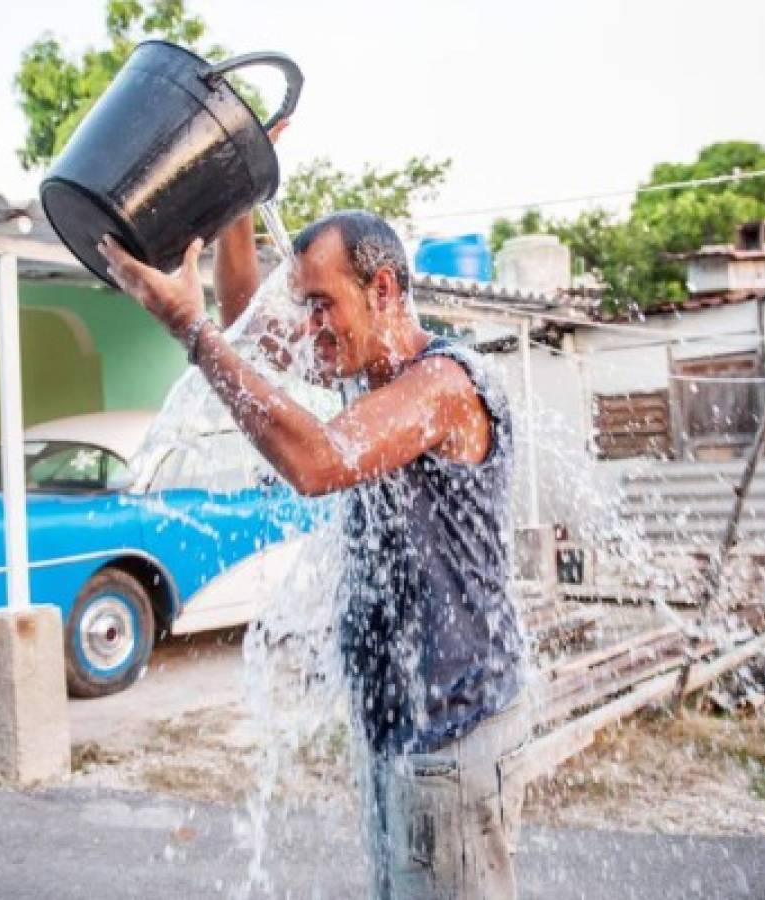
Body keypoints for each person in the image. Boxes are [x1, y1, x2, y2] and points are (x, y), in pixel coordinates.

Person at [99, 202, 529, 899]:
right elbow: (244, 321)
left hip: (455, 728)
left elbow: (318, 461)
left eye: (321, 305)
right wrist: (236, 198)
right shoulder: (363, 365)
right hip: (399, 726)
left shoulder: (444, 385)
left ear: (383, 289)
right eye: (303, 306)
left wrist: (187, 325)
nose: (308, 329)